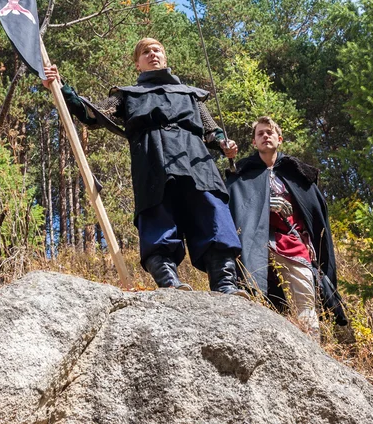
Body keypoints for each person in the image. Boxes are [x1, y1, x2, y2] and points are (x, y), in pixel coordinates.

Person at [43, 38, 245, 295]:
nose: (152, 54)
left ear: (165, 56)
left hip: (196, 161)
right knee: (158, 217)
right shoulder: (126, 95)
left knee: (212, 213)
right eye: (145, 52)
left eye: (157, 50)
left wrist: (224, 143)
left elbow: (211, 131)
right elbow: (92, 114)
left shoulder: (191, 94)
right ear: (138, 64)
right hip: (152, 159)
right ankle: (169, 283)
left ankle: (225, 284)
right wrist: (61, 87)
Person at [227, 116, 346, 339]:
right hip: (257, 248)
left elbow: (315, 215)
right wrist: (264, 205)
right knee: (259, 300)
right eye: (260, 133)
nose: (265, 136)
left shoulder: (297, 173)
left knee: (306, 305)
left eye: (269, 132)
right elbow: (235, 209)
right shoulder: (242, 174)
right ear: (254, 143)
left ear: (279, 139)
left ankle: (313, 353)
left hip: (294, 246)